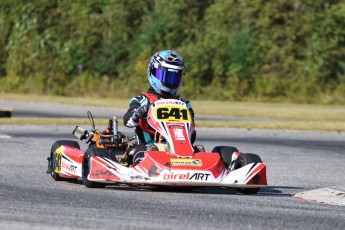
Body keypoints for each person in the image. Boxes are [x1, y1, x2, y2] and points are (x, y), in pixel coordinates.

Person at [123, 50, 197, 164]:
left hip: (181, 149)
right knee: (142, 153)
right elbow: (127, 121)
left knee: (202, 152)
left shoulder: (184, 104)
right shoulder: (142, 100)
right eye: (166, 76)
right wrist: (138, 114)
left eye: (175, 77)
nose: (170, 81)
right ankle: (146, 165)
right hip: (148, 147)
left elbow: (192, 132)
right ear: (152, 72)